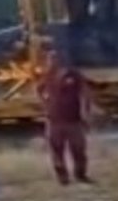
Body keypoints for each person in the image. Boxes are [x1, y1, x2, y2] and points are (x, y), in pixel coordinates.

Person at [38, 49, 92, 185]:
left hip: (73, 119)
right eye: (49, 60)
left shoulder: (73, 74)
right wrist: (45, 104)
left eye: (53, 59)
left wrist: (85, 111)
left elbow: (85, 92)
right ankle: (63, 177)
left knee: (79, 149)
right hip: (55, 120)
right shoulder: (47, 76)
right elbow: (39, 89)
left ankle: (80, 174)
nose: (51, 62)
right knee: (57, 150)